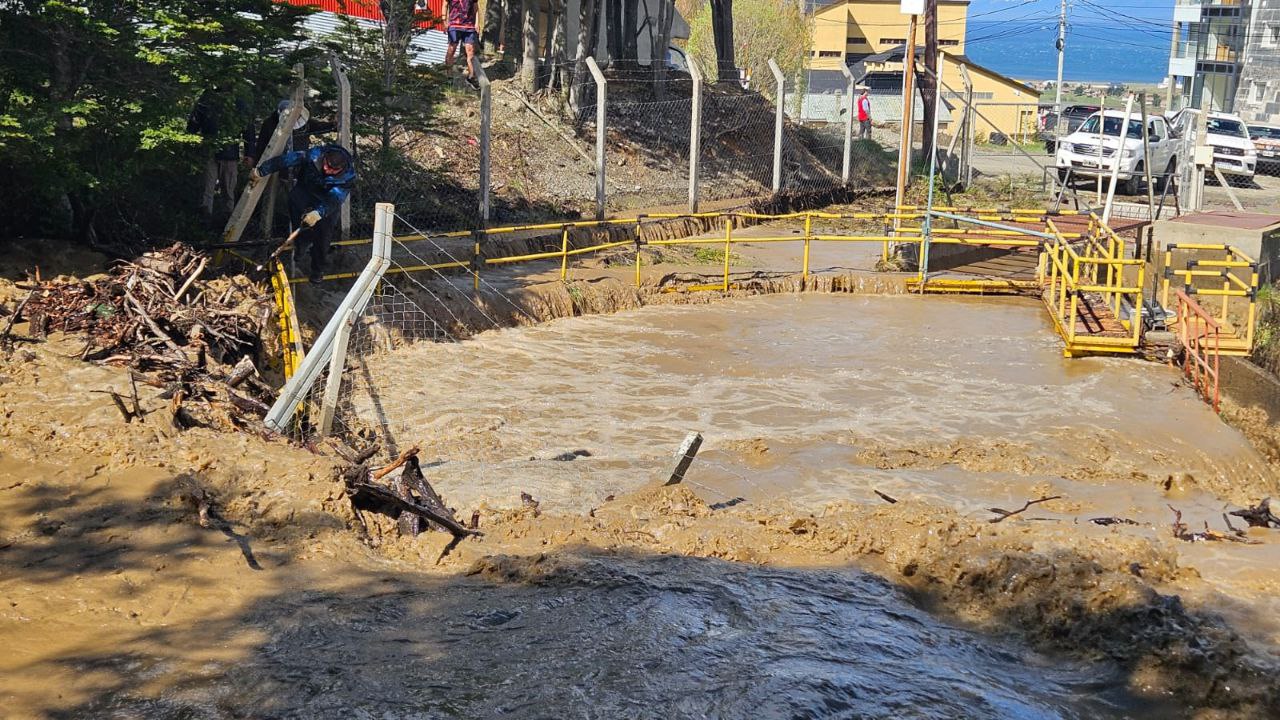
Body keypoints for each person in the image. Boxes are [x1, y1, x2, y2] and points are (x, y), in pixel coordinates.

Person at [250, 145, 355, 284]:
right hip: (305, 190)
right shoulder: (314, 155)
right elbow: (287, 160)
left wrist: (319, 213)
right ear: (325, 158)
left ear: (341, 169)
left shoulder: (347, 178)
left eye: (332, 169)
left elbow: (334, 199)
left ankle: (317, 270)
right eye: (326, 165)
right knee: (294, 201)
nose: (326, 170)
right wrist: (262, 170)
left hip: (326, 200)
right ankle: (302, 241)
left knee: (324, 233)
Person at [187, 87, 251, 219]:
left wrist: (249, 153)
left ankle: (228, 221)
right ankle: (205, 220)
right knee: (207, 189)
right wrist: (190, 145)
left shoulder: (238, 102)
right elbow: (193, 125)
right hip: (210, 153)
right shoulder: (206, 100)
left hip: (230, 154)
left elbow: (248, 129)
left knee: (228, 190)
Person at [444, 0, 481, 89]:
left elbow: (476, 8)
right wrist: (444, 21)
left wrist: (477, 23)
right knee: (451, 50)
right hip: (454, 25)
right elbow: (445, 5)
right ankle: (449, 76)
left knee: (470, 51)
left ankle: (471, 77)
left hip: (469, 26)